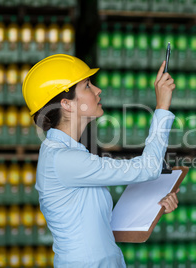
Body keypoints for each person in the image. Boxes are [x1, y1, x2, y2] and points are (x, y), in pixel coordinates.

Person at [22, 54, 178, 267]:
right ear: (67, 104)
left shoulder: (72, 154)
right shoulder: (62, 160)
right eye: (87, 86)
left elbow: (100, 225)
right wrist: (162, 107)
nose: (97, 90)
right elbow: (147, 168)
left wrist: (154, 203)